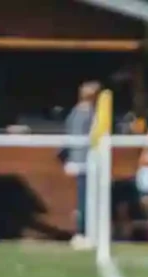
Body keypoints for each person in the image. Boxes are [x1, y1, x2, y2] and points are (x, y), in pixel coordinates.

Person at [63, 81, 100, 249]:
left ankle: (83, 232)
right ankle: (82, 232)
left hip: (76, 159)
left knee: (83, 197)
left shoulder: (74, 112)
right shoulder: (91, 113)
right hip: (85, 160)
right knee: (85, 198)